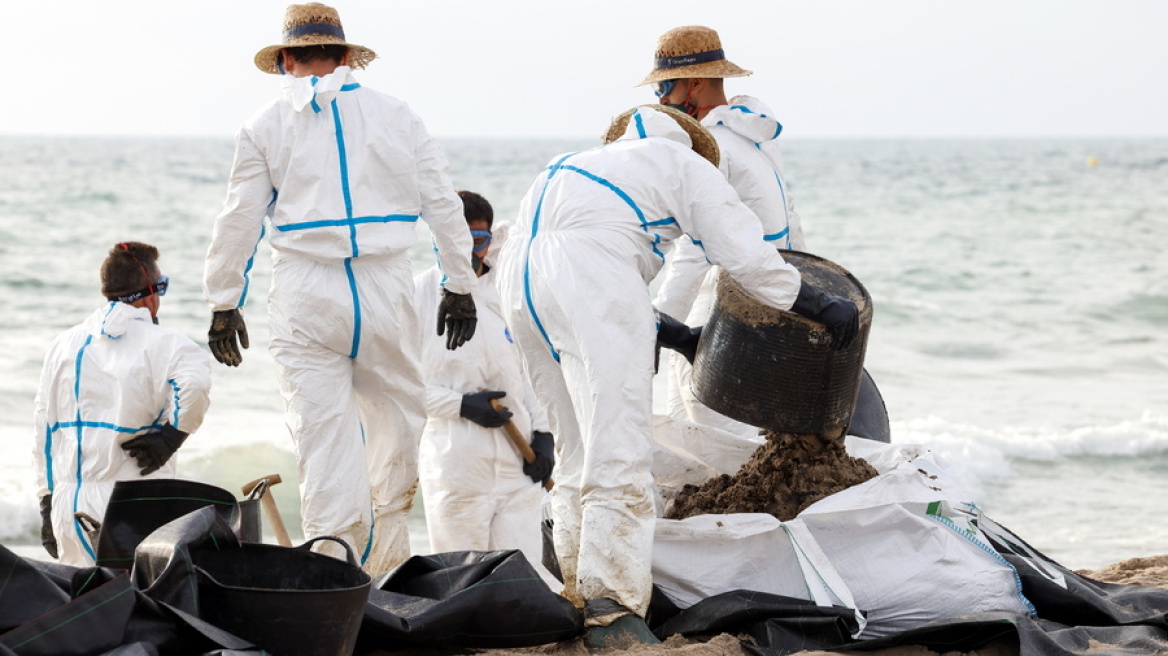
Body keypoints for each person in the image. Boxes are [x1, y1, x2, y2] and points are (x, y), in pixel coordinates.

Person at [495, 105, 858, 647]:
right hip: (584, 276)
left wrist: (682, 337)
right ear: (690, 144)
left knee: (574, 446)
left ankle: (573, 587)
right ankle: (611, 609)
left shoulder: (572, 164)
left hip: (519, 283)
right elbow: (743, 253)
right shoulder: (681, 162)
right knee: (618, 444)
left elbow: (585, 261)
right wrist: (815, 303)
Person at [202, 3, 478, 575]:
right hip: (385, 282)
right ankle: (385, 563)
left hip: (307, 290)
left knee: (322, 438)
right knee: (398, 422)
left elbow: (239, 220)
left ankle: (333, 569)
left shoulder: (263, 125)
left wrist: (224, 301)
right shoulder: (397, 113)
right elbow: (443, 203)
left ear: (284, 59)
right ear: (349, 57)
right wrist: (459, 282)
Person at [641, 25, 808, 439]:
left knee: (713, 437)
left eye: (664, 87)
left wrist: (656, 325)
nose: (660, 102)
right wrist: (803, 298)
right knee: (728, 433)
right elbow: (792, 223)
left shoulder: (708, 149)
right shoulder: (756, 138)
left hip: (719, 311)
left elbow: (697, 249)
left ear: (693, 84)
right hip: (767, 304)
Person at [34, 242, 211, 566]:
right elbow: (196, 384)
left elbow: (44, 433)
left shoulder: (62, 345)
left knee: (86, 607)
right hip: (132, 506)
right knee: (138, 606)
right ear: (150, 291)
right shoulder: (169, 344)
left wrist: (46, 504)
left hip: (69, 506)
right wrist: (173, 436)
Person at [412, 190, 557, 587]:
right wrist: (461, 405)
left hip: (518, 462)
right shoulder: (416, 297)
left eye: (479, 241)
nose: (470, 252)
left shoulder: (507, 293)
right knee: (460, 579)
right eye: (459, 241)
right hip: (456, 464)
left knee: (523, 577)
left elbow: (533, 371)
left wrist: (544, 436)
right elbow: (402, 387)